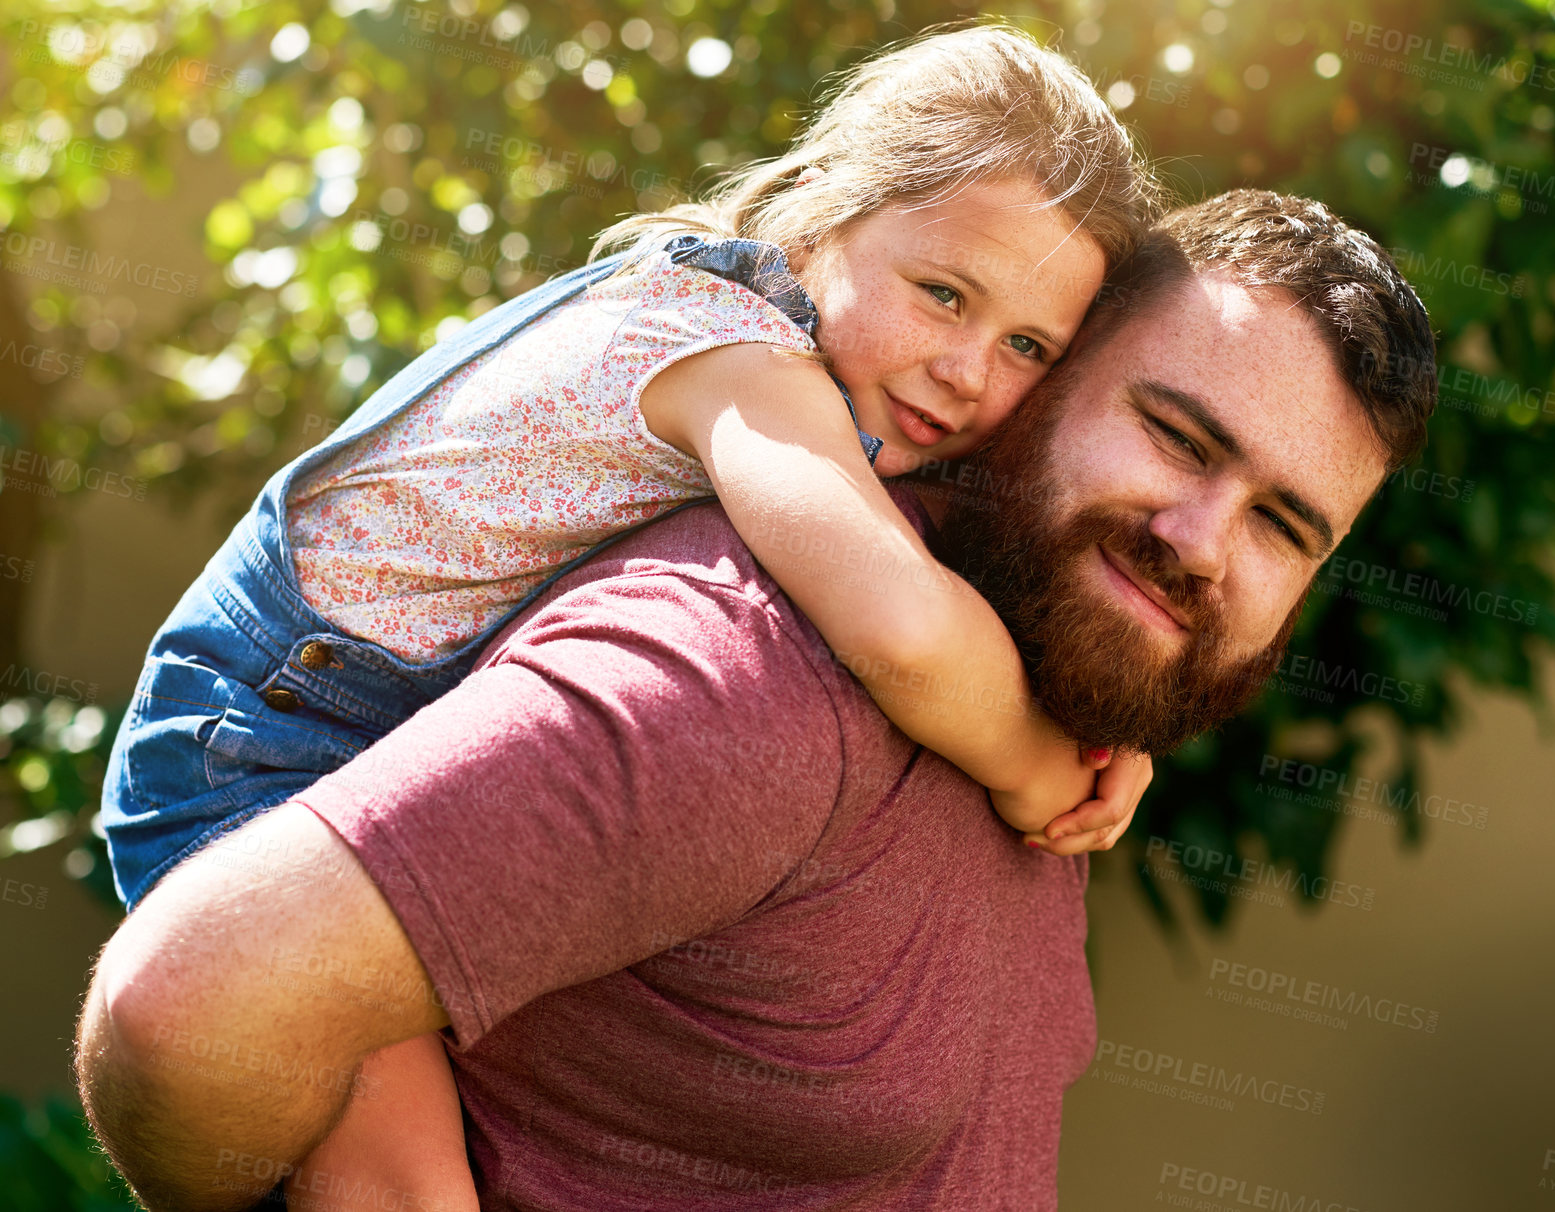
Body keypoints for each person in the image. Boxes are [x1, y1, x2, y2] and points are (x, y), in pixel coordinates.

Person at [75, 188, 1437, 1211]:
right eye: (1179, 436)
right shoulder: (750, 674)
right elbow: (187, 1010)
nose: (1202, 539)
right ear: (1039, 391)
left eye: (1285, 527)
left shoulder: (1045, 684)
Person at [96, 25, 1156, 1208]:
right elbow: (897, 626)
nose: (966, 369)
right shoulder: (740, 363)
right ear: (822, 215)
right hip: (263, 739)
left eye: (1025, 346)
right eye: (941, 293)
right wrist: (1035, 759)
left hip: (352, 716)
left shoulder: (776, 353)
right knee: (404, 1187)